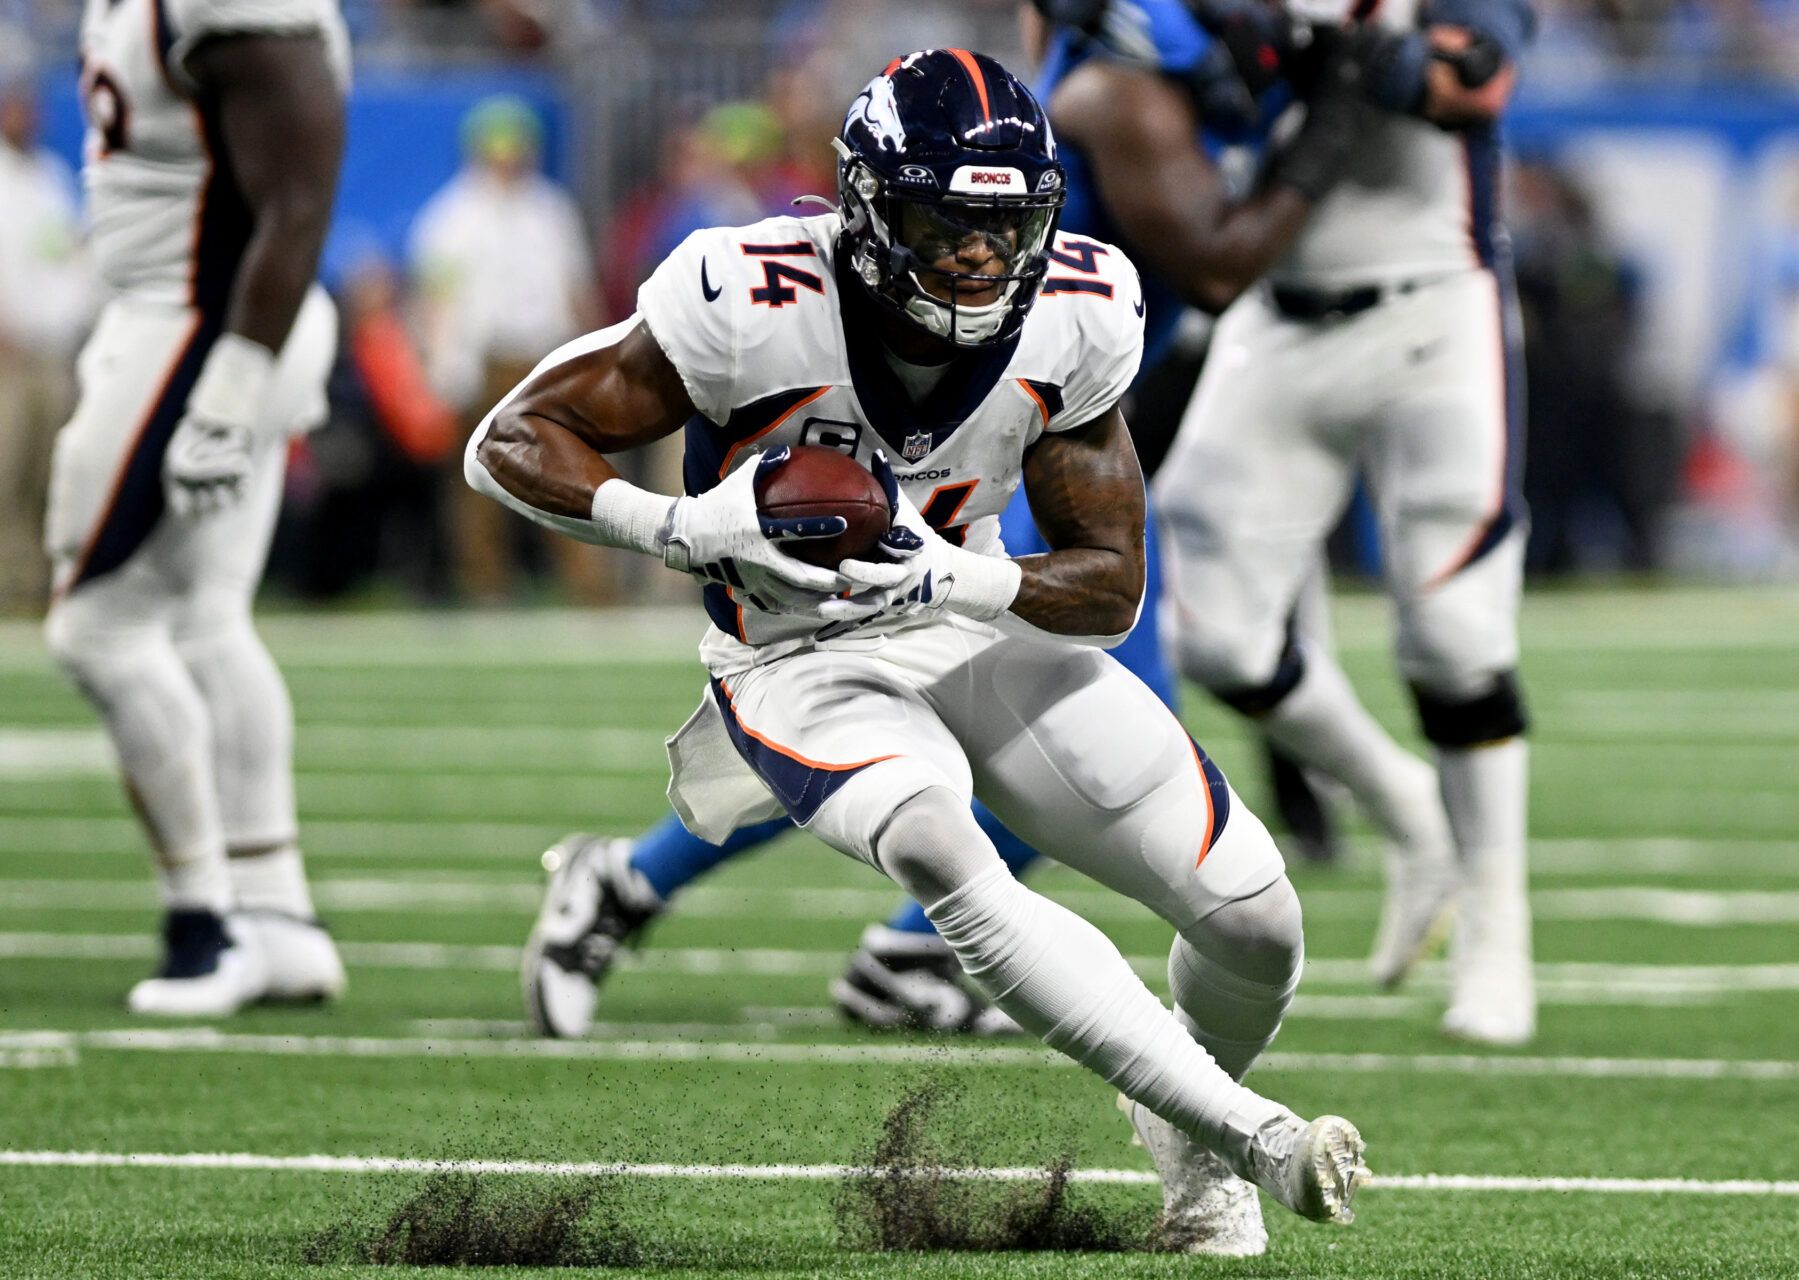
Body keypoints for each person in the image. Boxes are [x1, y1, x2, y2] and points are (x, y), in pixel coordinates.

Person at [470, 48, 1369, 1238]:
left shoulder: (1081, 314)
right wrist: (682, 526)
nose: (978, 256)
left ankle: (1182, 1137)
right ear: (864, 205)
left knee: (1256, 919)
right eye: (943, 220)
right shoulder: (748, 295)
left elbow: (1111, 587)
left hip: (958, 622)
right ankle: (1241, 1139)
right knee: (945, 850)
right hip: (796, 661)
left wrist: (962, 571)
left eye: (1005, 226)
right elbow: (513, 434)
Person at [1155, 0, 1541, 1045]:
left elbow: (1480, 78)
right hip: (1275, 318)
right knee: (1215, 633)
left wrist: (1358, 45)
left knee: (1457, 636)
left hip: (1433, 314)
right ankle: (1408, 809)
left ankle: (1499, 930)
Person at [43, 0, 351, 1015]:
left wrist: (228, 383)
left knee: (97, 629)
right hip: (189, 318)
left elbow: (301, 197)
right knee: (209, 624)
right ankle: (278, 917)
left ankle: (203, 923)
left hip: (201, 325)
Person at [409, 95, 612, 605]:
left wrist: (593, 352)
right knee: (479, 483)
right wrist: (438, 363)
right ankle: (486, 585)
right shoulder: (453, 218)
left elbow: (574, 287)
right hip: (486, 359)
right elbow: (434, 300)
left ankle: (588, 588)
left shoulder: (551, 210)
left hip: (545, 358)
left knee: (570, 472)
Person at [0, 73, 93, 612]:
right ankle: (6, 584)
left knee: (46, 472)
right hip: (7, 354)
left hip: (52, 352)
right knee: (6, 468)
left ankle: (36, 584)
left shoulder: (51, 178)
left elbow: (68, 259)